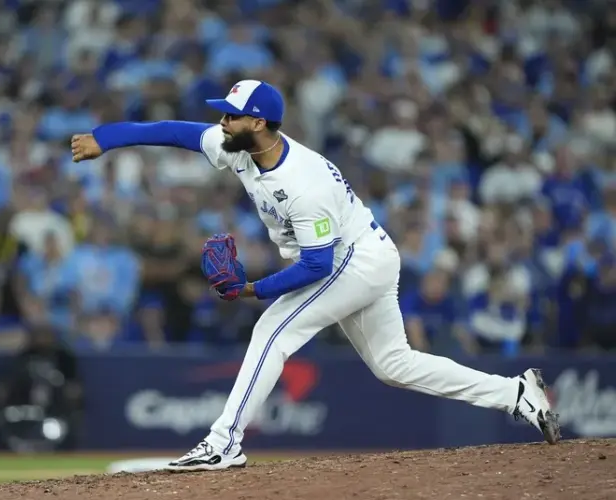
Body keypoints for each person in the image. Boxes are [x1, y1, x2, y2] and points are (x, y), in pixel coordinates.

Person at [70, 80, 561, 471]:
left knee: (272, 330)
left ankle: (223, 443)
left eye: (232, 113)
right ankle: (515, 392)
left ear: (257, 122)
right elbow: (174, 131)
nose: (222, 120)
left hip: (354, 258)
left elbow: (316, 266)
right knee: (395, 365)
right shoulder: (238, 146)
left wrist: (252, 290)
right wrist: (106, 139)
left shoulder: (302, 184)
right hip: (360, 252)